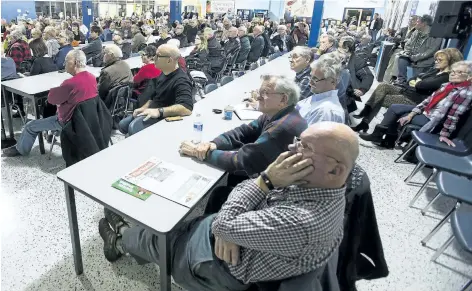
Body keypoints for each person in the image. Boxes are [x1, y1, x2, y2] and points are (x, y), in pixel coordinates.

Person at [98, 122, 358, 291]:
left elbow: (232, 215)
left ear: (336, 169)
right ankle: (130, 234)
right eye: (298, 141)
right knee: (183, 222)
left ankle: (119, 239)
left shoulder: (304, 223)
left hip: (219, 266)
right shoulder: (319, 184)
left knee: (157, 238)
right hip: (234, 240)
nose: (292, 148)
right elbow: (241, 210)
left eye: (305, 147)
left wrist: (266, 180)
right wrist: (231, 228)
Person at [180, 74, 307, 178]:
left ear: (283, 100)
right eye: (260, 92)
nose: (258, 97)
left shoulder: (280, 128)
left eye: (265, 93)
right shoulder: (276, 114)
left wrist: (199, 152)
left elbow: (241, 161)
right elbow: (244, 132)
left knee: (221, 192)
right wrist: (213, 143)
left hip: (274, 188)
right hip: (267, 171)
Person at [2, 50, 97, 157]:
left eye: (66, 61)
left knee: (30, 126)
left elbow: (51, 100)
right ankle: (51, 134)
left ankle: (21, 150)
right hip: (87, 118)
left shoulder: (69, 84)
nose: (64, 64)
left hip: (67, 121)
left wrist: (56, 88)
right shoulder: (92, 78)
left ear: (75, 63)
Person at [360, 61, 472, 148]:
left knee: (397, 112)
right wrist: (412, 114)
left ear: (469, 76)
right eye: (453, 71)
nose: (453, 73)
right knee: (394, 107)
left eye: (459, 72)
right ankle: (383, 138)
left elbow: (453, 116)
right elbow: (428, 101)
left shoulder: (464, 92)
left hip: (433, 120)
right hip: (426, 111)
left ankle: (386, 139)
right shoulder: (447, 84)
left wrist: (444, 134)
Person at [352, 48, 463, 132]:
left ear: (450, 61)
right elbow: (413, 79)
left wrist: (418, 82)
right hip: (408, 91)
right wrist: (417, 82)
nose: (436, 62)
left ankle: (367, 122)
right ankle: (366, 113)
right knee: (383, 86)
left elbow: (423, 85)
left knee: (382, 98)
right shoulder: (434, 71)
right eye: (436, 59)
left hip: (415, 100)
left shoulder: (446, 76)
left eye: (440, 60)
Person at [118, 44, 193, 136]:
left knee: (130, 133)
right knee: (122, 125)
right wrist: (143, 108)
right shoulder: (163, 73)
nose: (154, 58)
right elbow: (153, 97)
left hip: (163, 117)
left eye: (158, 56)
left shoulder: (181, 80)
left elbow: (186, 108)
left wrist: (159, 111)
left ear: (169, 60)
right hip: (151, 110)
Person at [296, 53, 346, 125]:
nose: (310, 82)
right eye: (311, 77)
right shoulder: (319, 96)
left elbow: (305, 135)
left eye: (315, 79)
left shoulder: (325, 111)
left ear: (333, 81)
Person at [395, 15, 442, 85]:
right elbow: (408, 44)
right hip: (411, 56)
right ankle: (401, 81)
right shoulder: (416, 32)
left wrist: (416, 57)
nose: (415, 24)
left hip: (424, 61)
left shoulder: (435, 36)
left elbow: (431, 51)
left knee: (416, 79)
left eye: (417, 22)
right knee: (401, 58)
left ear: (424, 24)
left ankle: (411, 85)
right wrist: (408, 53)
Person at [338, 36, 374, 113]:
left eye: (339, 48)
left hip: (346, 92)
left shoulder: (357, 60)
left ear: (346, 49)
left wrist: (362, 89)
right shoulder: (335, 57)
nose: (337, 50)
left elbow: (368, 76)